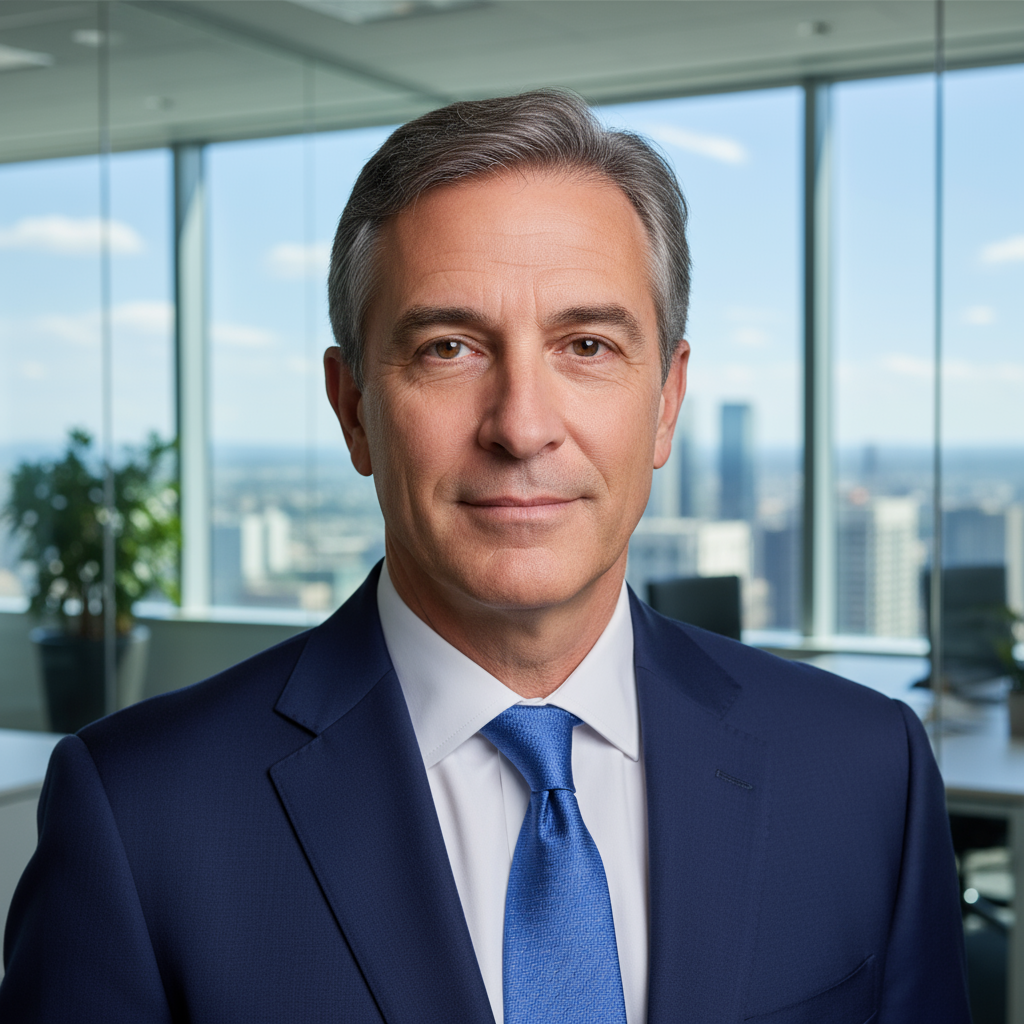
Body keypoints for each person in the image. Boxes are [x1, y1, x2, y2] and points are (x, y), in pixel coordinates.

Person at [1, 90, 969, 1023]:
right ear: (353, 410)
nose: (521, 425)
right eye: (448, 348)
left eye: (586, 345)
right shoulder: (140, 817)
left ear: (666, 403)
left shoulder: (863, 774)